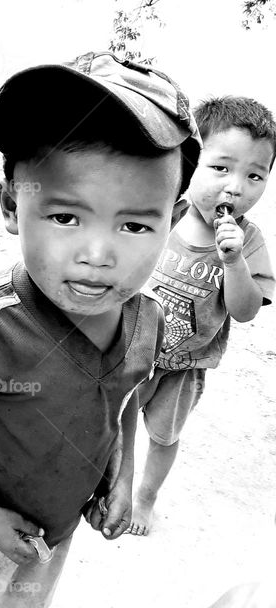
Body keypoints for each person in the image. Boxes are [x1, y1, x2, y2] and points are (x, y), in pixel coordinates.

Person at [0, 52, 201, 608]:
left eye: (133, 224)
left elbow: (121, 402)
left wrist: (118, 476)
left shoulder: (148, 320)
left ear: (171, 222)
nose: (97, 255)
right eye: (64, 217)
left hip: (49, 534)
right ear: (11, 206)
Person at [129, 96, 274, 536]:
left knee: (163, 437)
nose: (236, 187)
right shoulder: (160, 215)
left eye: (255, 176)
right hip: (131, 351)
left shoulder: (248, 242)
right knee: (116, 422)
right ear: (189, 162)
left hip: (185, 367)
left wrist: (233, 263)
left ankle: (146, 496)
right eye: (220, 168)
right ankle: (112, 481)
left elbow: (245, 312)